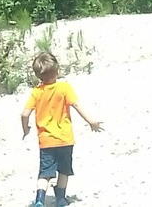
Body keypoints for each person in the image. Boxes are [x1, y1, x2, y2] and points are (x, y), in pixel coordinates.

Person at [20, 51, 104, 207]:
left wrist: (26, 129)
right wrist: (91, 121)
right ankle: (60, 198)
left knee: (45, 173)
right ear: (57, 70)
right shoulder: (64, 88)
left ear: (38, 76)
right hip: (65, 139)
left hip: (46, 141)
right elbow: (77, 105)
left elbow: (24, 114)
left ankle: (39, 200)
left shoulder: (37, 92)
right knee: (64, 170)